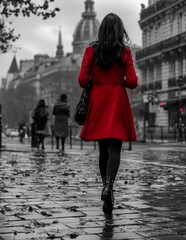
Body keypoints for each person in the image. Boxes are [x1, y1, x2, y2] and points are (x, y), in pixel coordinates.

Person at [78, 13, 138, 214]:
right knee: (116, 149)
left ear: (101, 29)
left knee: (103, 150)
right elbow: (133, 81)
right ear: (120, 30)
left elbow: (82, 80)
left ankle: (106, 186)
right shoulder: (125, 52)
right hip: (117, 100)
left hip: (99, 101)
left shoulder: (90, 51)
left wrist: (96, 81)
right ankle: (109, 186)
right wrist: (118, 81)